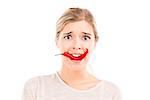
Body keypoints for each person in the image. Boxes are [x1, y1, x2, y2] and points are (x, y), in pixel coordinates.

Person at [22, 7, 121, 100]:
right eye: (68, 37)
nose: (77, 45)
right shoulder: (36, 88)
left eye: (85, 38)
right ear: (57, 41)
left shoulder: (110, 93)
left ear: (95, 42)